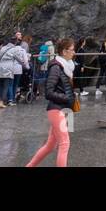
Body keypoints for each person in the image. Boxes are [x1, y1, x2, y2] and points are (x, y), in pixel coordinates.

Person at [26, 38, 76, 167]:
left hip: (66, 110)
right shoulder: (56, 67)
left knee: (51, 145)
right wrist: (67, 98)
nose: (74, 52)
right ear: (64, 51)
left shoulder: (67, 67)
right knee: (64, 143)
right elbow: (49, 92)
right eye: (72, 50)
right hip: (57, 109)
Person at [0, 35, 27, 107]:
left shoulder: (3, 48)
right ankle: (1, 102)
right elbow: (19, 59)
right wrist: (24, 64)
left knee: (1, 84)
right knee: (6, 85)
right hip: (8, 67)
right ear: (15, 42)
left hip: (0, 67)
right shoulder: (14, 49)